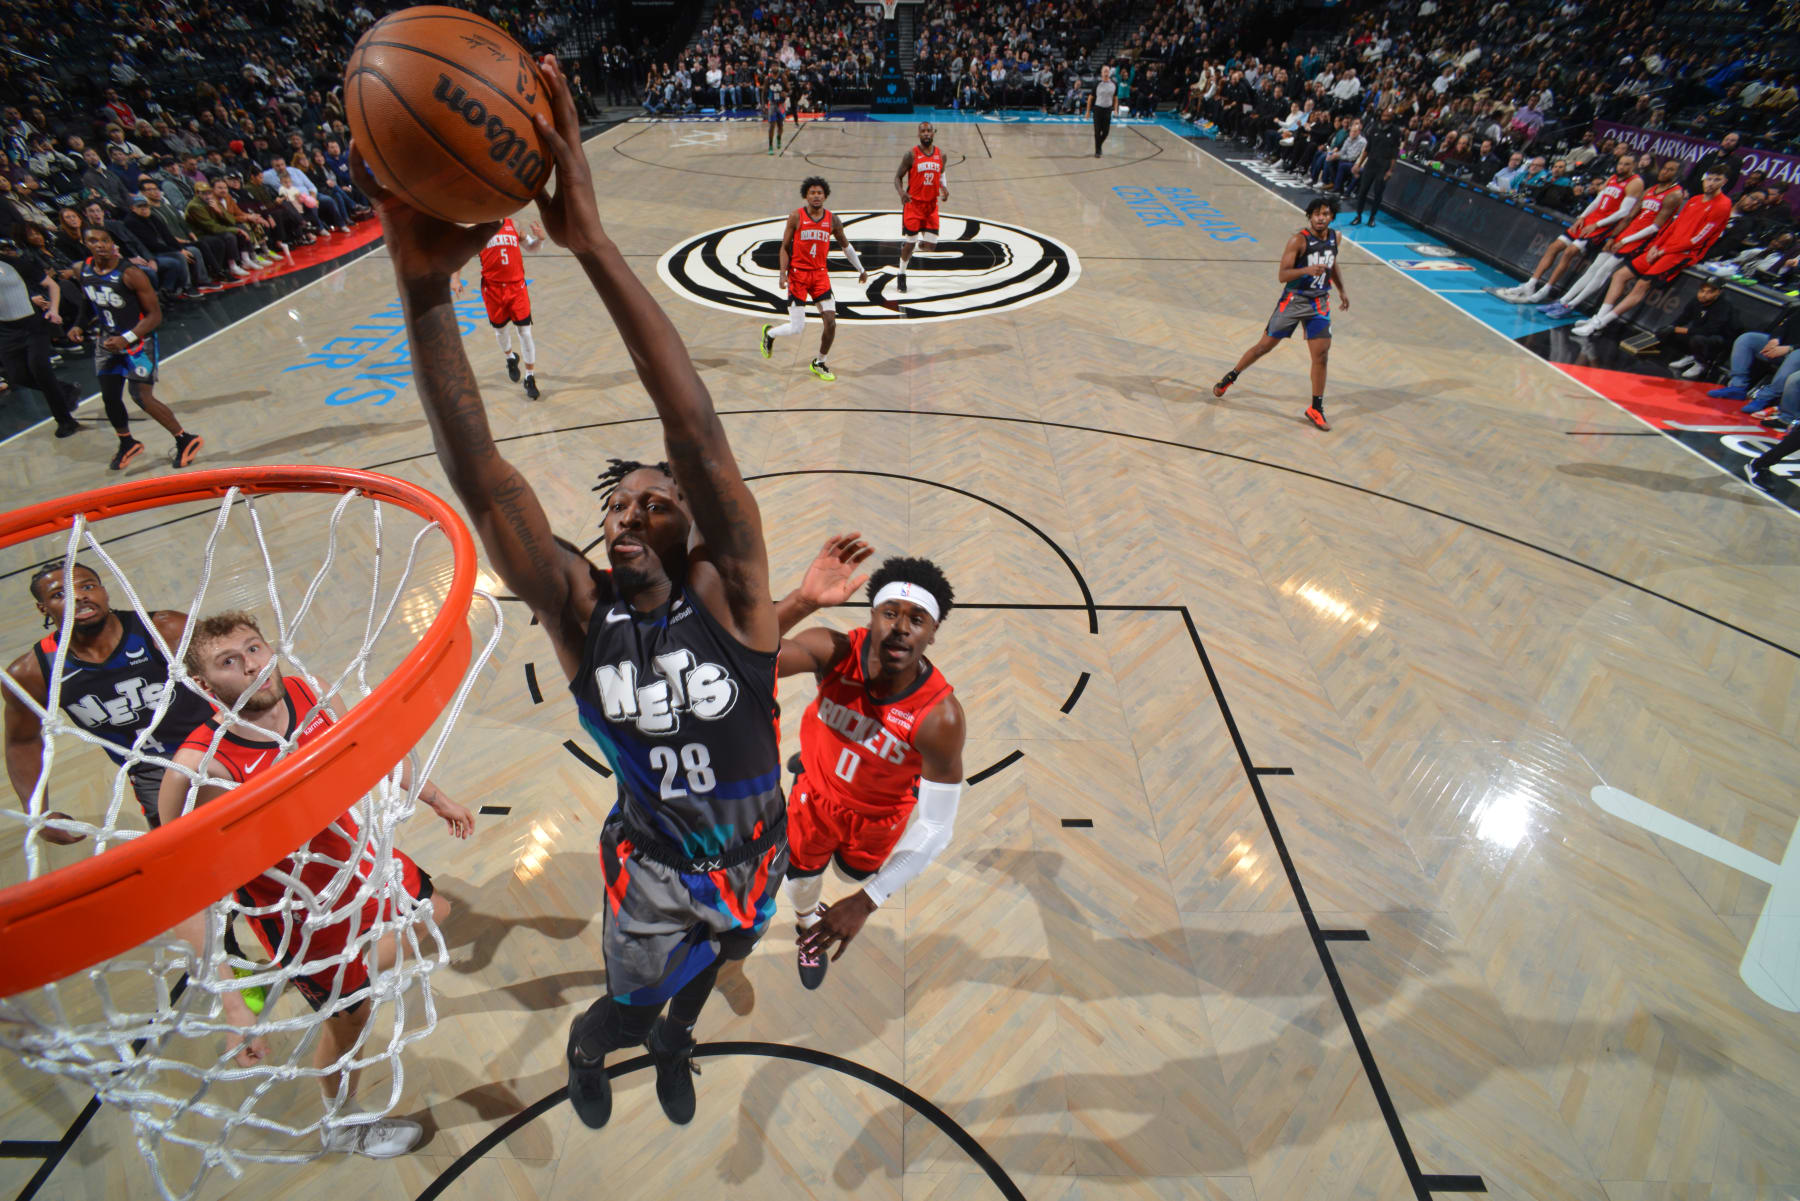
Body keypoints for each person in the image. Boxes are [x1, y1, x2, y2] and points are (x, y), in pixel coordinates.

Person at [352, 53, 789, 1130]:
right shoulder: (580, 613)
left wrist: (589, 242)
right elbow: (483, 474)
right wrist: (423, 296)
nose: (628, 515)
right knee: (628, 1005)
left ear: (693, 524)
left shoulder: (733, 594)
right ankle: (595, 1051)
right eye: (617, 507)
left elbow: (699, 434)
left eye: (653, 504)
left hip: (758, 852)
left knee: (711, 972)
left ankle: (676, 1038)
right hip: (650, 867)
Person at [156, 611, 472, 1159]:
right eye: (229, 661)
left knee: (436, 910)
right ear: (205, 687)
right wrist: (234, 1006)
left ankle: (359, 980)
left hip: (361, 861)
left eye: (255, 648)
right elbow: (184, 891)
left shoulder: (312, 693)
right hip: (306, 918)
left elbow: (368, 753)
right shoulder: (201, 772)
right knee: (352, 1025)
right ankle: (341, 1122)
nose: (252, 666)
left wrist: (435, 797)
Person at [776, 556, 966, 989]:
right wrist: (802, 601)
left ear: (933, 632)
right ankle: (807, 927)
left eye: (917, 618)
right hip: (817, 797)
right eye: (890, 613)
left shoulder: (941, 718)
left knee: (851, 876)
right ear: (873, 617)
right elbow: (747, 655)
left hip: (878, 817)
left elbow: (937, 826)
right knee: (801, 877)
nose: (901, 626)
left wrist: (866, 900)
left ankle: (817, 769)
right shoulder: (833, 650)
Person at [4, 561, 214, 842]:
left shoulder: (166, 629)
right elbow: (22, 741)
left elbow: (241, 673)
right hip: (150, 769)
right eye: (59, 594)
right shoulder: (32, 672)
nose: (80, 596)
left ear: (104, 591)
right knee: (187, 852)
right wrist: (39, 813)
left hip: (217, 741)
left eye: (88, 586)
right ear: (43, 608)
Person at [1212, 196, 1349, 432]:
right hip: (1294, 301)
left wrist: (1341, 289)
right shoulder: (1298, 241)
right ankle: (1232, 376)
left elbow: (1332, 264)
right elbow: (1282, 275)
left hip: (1319, 303)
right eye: (1316, 214)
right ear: (1310, 216)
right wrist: (1306, 269)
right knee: (1263, 347)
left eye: (1325, 214)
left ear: (1332, 217)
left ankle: (1316, 407)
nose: (1320, 218)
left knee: (1322, 355)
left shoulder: (1335, 238)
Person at [73, 225, 203, 470]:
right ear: (85, 243)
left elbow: (155, 316)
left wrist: (127, 338)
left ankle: (185, 438)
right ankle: (127, 442)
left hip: (138, 343)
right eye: (93, 240)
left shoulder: (131, 274)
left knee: (140, 396)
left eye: (105, 239)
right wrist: (78, 325)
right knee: (110, 396)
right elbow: (86, 301)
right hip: (107, 342)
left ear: (113, 243)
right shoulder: (83, 270)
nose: (100, 244)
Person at [1572, 170, 1732, 337]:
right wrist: (1657, 246)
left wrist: (1665, 250)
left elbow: (1698, 239)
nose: (1711, 183)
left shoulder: (1722, 206)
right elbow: (1673, 225)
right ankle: (1597, 317)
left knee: (1641, 285)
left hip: (1682, 253)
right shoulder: (1694, 200)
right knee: (1620, 275)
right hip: (1663, 247)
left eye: (1717, 179)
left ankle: (1600, 323)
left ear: (1724, 181)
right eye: (1709, 179)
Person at [1540, 157, 1684, 318]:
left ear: (1678, 173)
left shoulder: (1674, 195)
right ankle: (1564, 300)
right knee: (1594, 268)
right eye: (1664, 168)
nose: (1665, 172)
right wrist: (1614, 237)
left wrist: (1626, 240)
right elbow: (1629, 216)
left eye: (1671, 170)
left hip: (1640, 240)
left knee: (1604, 271)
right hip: (1625, 234)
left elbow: (1655, 227)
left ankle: (1572, 304)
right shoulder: (1651, 189)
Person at [759, 176, 867, 383]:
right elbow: (784, 246)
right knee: (797, 328)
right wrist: (783, 273)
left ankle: (819, 362)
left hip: (819, 275)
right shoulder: (796, 217)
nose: (816, 196)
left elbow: (846, 246)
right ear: (806, 196)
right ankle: (770, 334)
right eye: (812, 193)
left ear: (825, 196)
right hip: (798, 275)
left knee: (831, 322)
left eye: (819, 193)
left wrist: (861, 269)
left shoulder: (833, 220)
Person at [1496, 153, 1643, 303]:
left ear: (1634, 166)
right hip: (1589, 220)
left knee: (1569, 252)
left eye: (1627, 164)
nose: (1622, 167)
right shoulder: (1612, 178)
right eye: (1621, 163)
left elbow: (1624, 212)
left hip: (1602, 227)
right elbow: (1598, 201)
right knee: (1554, 247)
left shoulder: (1635, 183)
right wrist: (1582, 217)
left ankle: (1546, 289)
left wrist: (1597, 225)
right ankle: (1531, 284)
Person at [453, 217, 546, 399]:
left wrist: (540, 239)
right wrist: (455, 278)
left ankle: (530, 377)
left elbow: (530, 248)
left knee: (525, 333)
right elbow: (461, 254)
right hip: (493, 289)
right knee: (500, 331)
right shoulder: (475, 226)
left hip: (517, 288)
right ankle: (511, 358)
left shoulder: (515, 224)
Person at [0, 240, 80, 436]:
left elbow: (52, 285)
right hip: (5, 330)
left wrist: (53, 309)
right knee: (18, 376)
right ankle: (65, 389)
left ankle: (65, 421)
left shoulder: (14, 263)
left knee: (40, 370)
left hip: (32, 325)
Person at [893, 122, 947, 294]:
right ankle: (901, 274)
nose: (926, 134)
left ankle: (910, 245)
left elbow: (942, 172)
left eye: (928, 131)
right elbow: (897, 177)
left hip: (931, 206)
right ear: (918, 134)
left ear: (933, 133)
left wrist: (944, 187)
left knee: (931, 246)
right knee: (910, 243)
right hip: (914, 205)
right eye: (922, 131)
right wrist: (902, 192)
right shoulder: (911, 155)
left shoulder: (941, 155)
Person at [1659, 281, 1734, 379]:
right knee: (1665, 332)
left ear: (1718, 292)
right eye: (1702, 291)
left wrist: (1682, 330)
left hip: (1718, 338)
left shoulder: (1723, 307)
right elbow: (1684, 317)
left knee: (1697, 339)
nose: (1703, 295)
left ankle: (1702, 363)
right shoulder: (1696, 301)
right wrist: (1671, 326)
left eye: (1709, 292)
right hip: (1698, 332)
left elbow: (1710, 330)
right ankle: (1691, 355)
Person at [1089, 66, 1117, 157]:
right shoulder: (1097, 84)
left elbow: (1115, 98)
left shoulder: (1114, 84)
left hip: (1107, 110)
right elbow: (1090, 97)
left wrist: (1115, 109)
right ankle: (1097, 151)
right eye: (1104, 71)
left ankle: (1099, 145)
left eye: (1107, 71)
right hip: (1098, 109)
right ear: (1101, 73)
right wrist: (1088, 111)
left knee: (1106, 132)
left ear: (1109, 73)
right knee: (1097, 131)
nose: (1106, 72)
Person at [767, 85, 787, 155]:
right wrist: (763, 104)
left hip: (781, 105)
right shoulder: (769, 79)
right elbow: (763, 92)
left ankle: (779, 137)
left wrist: (785, 94)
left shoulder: (783, 79)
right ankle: (770, 146)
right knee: (772, 126)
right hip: (772, 105)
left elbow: (788, 89)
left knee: (780, 126)